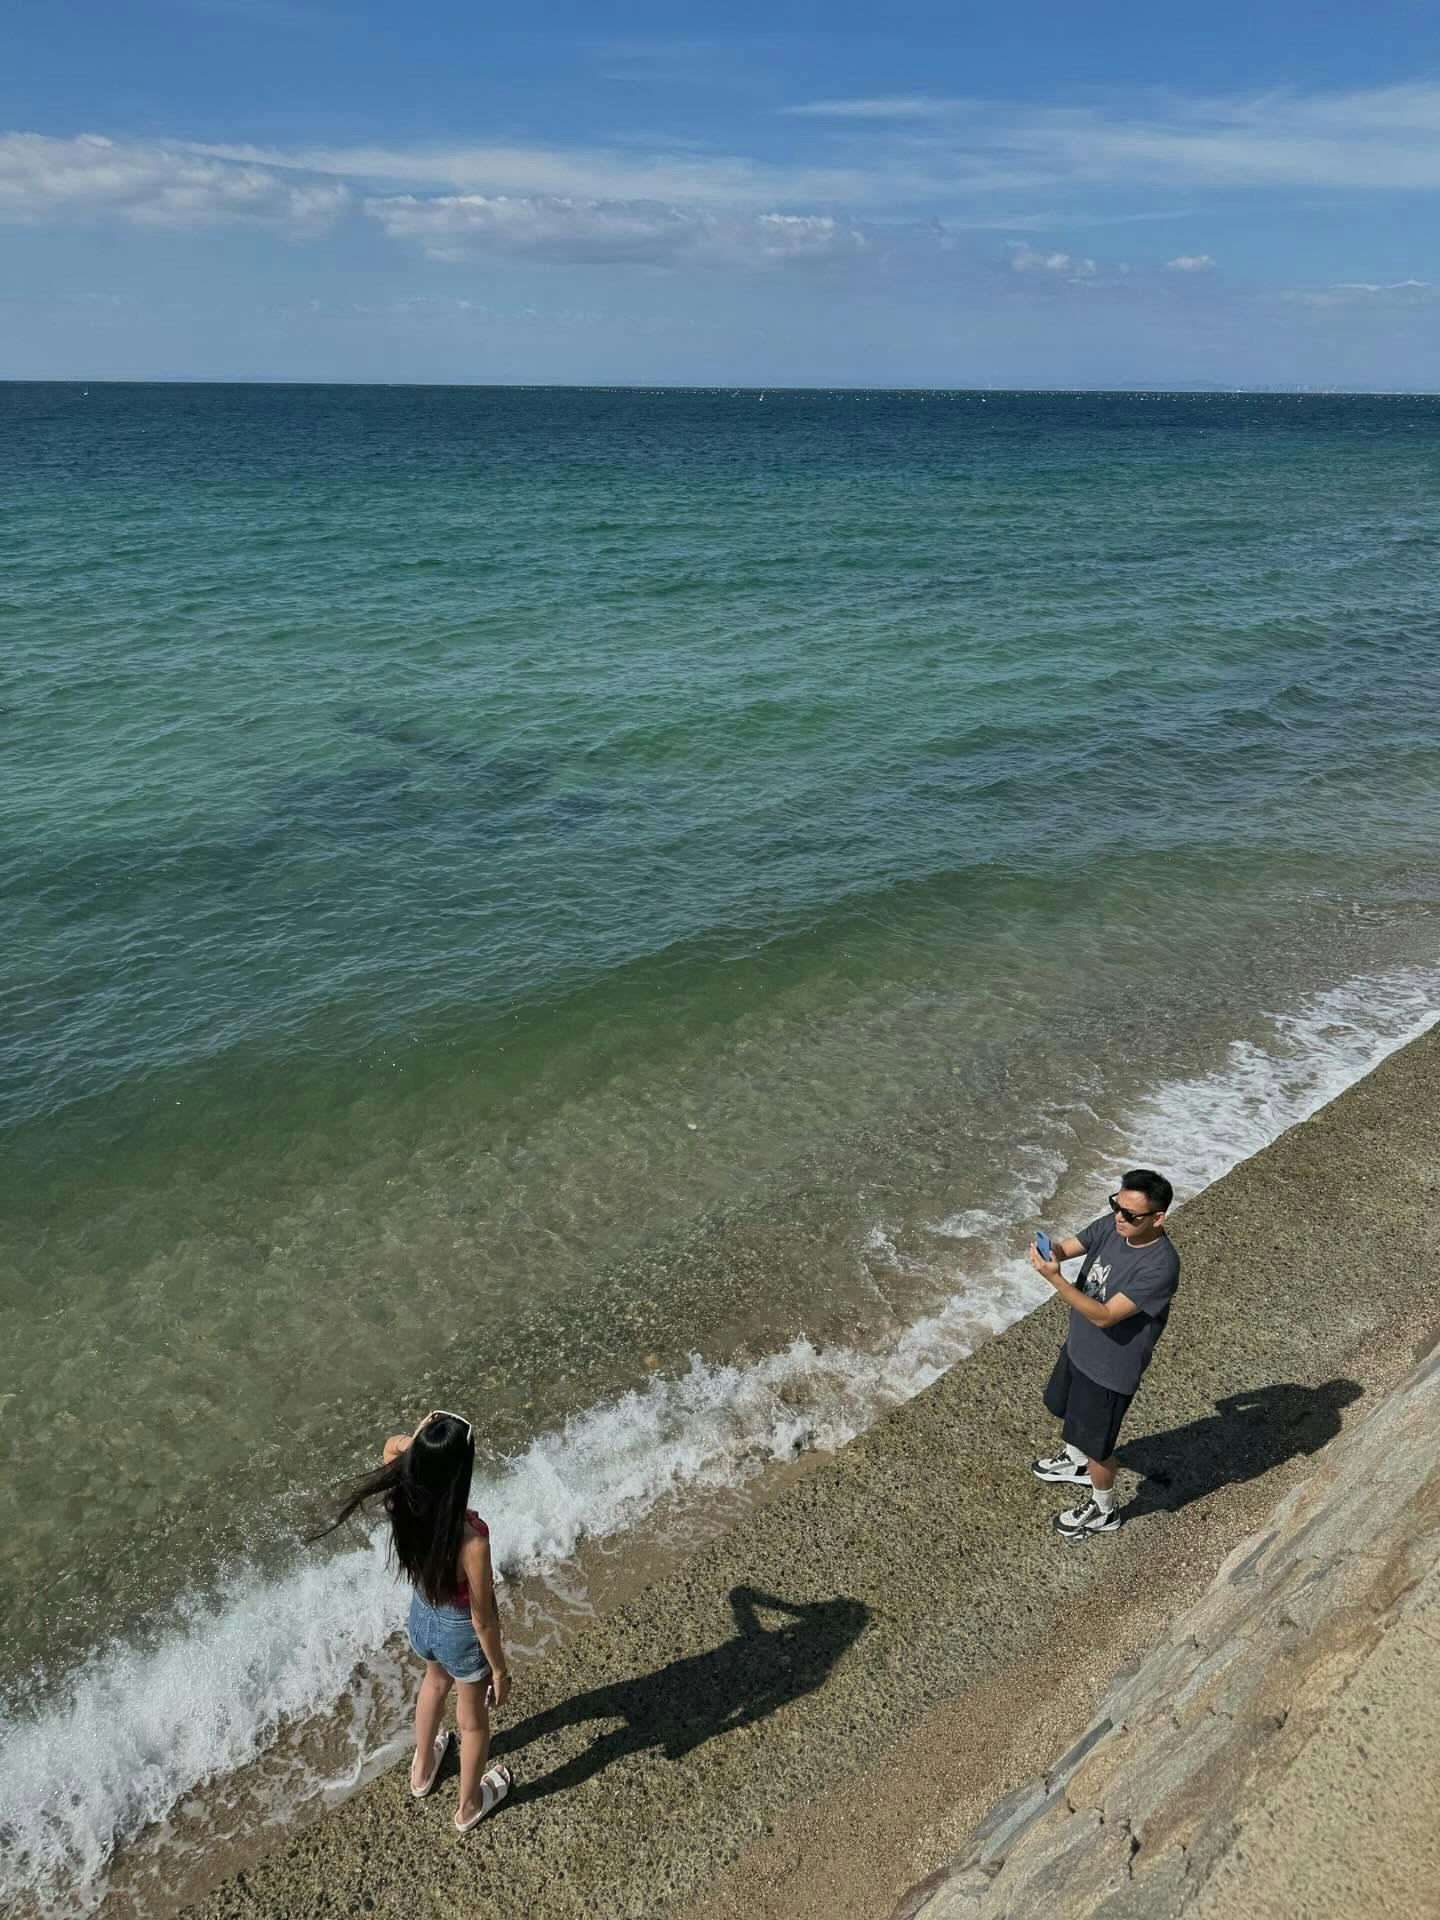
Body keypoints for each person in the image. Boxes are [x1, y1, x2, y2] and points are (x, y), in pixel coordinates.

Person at [312, 1410, 513, 1829]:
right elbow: (483, 1620)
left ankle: (422, 1771)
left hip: (422, 1615)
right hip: (460, 1632)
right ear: (461, 1473)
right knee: (473, 1724)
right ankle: (469, 1806)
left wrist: (421, 1438)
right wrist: (499, 1670)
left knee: (434, 1683)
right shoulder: (472, 1542)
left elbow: (391, 1446)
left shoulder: (405, 1497)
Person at [1027, 1170, 1179, 1540]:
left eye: (1130, 1214)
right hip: (1078, 1348)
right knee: (1064, 1409)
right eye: (1116, 1206)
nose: (1119, 1217)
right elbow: (1067, 1248)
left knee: (1100, 1448)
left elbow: (1105, 1315)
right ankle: (1075, 1461)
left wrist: (1055, 1279)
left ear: (1158, 1218)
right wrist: (1049, 1253)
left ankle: (1104, 1509)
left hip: (1109, 1370)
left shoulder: (1160, 1266)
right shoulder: (1113, 1226)